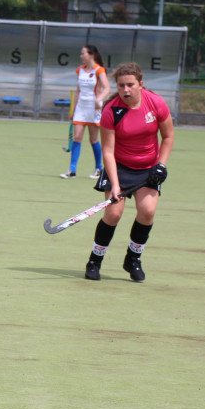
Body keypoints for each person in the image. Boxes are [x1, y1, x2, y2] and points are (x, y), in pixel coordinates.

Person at [84, 62, 174, 283]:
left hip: (148, 168)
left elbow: (168, 136)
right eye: (121, 85)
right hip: (119, 167)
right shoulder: (111, 111)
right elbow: (108, 151)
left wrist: (161, 165)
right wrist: (115, 185)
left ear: (141, 84)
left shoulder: (156, 103)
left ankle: (133, 259)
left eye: (130, 85)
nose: (125, 90)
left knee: (147, 212)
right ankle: (95, 261)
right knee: (113, 214)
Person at [62, 44, 111, 179]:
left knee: (93, 139)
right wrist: (73, 110)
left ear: (91, 55)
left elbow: (107, 88)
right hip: (81, 108)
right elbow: (78, 91)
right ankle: (72, 170)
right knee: (77, 137)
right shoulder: (80, 70)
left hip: (94, 108)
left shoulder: (99, 70)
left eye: (83, 53)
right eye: (81, 53)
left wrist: (99, 99)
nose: (81, 56)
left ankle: (98, 169)